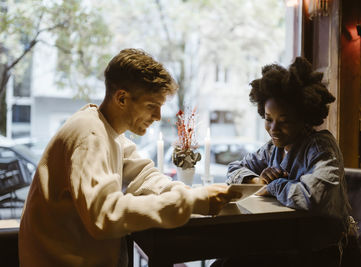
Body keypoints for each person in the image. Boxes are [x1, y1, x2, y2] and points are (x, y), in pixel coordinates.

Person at [19, 48, 239, 267]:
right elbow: (106, 215)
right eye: (152, 106)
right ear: (122, 98)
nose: (158, 116)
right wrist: (191, 202)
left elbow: (144, 176)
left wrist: (193, 195)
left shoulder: (109, 132)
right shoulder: (89, 135)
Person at [213, 57, 361, 267]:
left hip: (327, 253)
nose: (274, 128)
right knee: (226, 261)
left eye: (284, 121)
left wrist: (272, 186)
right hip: (289, 245)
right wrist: (257, 181)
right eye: (268, 119)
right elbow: (234, 169)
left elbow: (313, 197)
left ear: (304, 118)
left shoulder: (321, 147)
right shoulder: (272, 148)